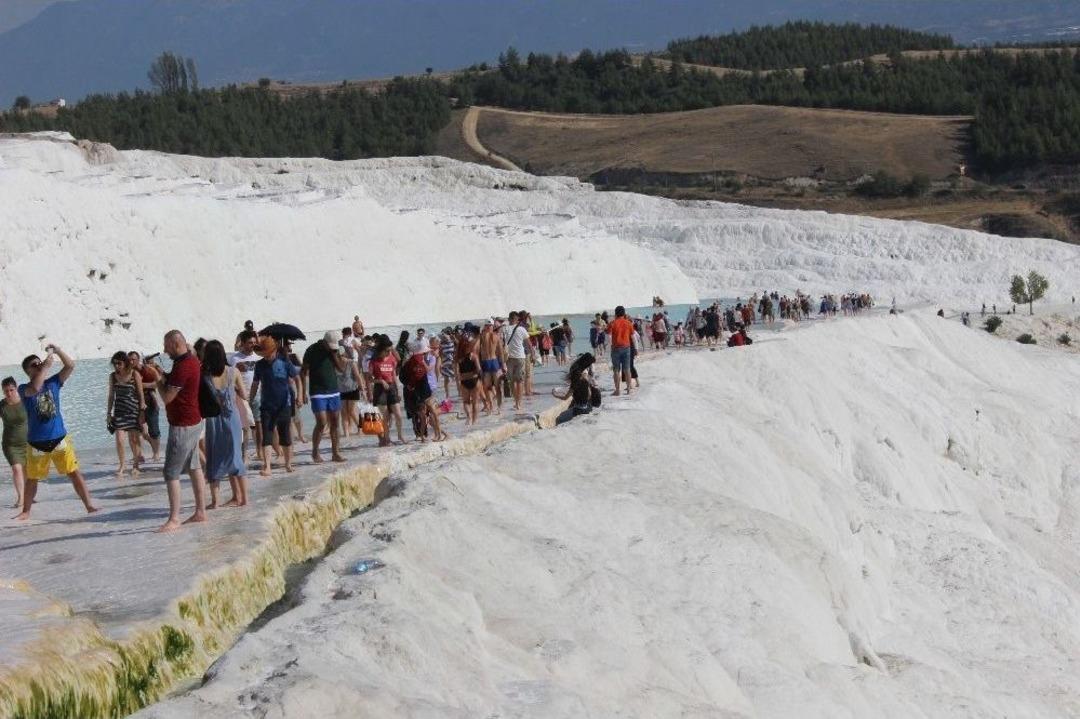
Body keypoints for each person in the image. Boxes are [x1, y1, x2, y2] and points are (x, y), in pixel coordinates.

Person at [15, 345, 97, 521]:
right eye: (33, 365)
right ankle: (26, 511)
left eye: (38, 362)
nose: (38, 365)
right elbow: (36, 388)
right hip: (37, 442)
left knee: (74, 472)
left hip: (59, 438)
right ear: (27, 371)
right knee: (32, 479)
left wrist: (57, 351)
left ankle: (89, 505)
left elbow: (70, 366)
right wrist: (45, 365)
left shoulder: (53, 382)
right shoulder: (23, 389)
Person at [156, 331, 207, 532]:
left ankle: (174, 518)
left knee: (170, 472)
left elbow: (167, 397)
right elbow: (177, 383)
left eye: (167, 346)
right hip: (194, 421)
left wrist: (158, 379)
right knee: (194, 466)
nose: (164, 350)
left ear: (176, 344)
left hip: (183, 424)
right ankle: (201, 511)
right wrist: (163, 374)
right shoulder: (191, 360)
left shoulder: (184, 365)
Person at [200, 340, 248, 509]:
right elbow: (243, 394)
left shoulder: (205, 376)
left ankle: (215, 501)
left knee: (214, 456)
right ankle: (243, 498)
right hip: (232, 418)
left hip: (213, 419)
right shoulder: (233, 372)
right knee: (235, 456)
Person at [250, 336, 300, 476]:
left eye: (268, 354)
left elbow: (297, 378)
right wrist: (250, 399)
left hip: (284, 404)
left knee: (285, 437)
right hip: (266, 405)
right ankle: (267, 467)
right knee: (267, 436)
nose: (266, 357)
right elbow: (255, 384)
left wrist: (300, 395)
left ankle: (288, 464)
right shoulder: (259, 365)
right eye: (264, 354)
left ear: (274, 351)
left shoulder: (284, 362)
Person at [301, 331, 346, 464]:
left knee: (335, 421)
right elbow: (303, 372)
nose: (332, 348)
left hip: (333, 389)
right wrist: (303, 391)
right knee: (321, 422)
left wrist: (335, 355)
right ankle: (315, 451)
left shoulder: (334, 351)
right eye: (330, 346)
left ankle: (335, 452)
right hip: (317, 390)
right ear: (324, 342)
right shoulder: (311, 350)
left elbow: (341, 369)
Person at [106, 351, 146, 477]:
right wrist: (108, 413)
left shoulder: (135, 374)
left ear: (125, 362)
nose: (117, 366)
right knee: (119, 440)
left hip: (133, 411)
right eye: (115, 363)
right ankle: (122, 465)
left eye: (119, 363)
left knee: (134, 440)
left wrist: (142, 412)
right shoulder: (113, 376)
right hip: (119, 412)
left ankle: (136, 465)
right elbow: (111, 395)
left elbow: (140, 394)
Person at [228, 330, 260, 460]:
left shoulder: (258, 357)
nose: (252, 345)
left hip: (257, 395)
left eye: (254, 342)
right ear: (243, 343)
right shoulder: (234, 358)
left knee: (258, 426)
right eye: (249, 343)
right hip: (241, 397)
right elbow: (229, 378)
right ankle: (244, 453)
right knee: (244, 427)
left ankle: (259, 451)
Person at [370, 335, 406, 446]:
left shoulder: (391, 358)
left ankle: (400, 435)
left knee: (398, 414)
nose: (389, 352)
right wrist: (381, 381)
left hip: (392, 388)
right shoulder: (374, 361)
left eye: (390, 350)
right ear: (380, 350)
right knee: (385, 417)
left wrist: (398, 390)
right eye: (387, 350)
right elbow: (369, 378)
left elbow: (394, 374)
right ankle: (387, 438)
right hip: (380, 390)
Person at [129, 352, 162, 462]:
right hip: (137, 404)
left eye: (133, 359)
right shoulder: (130, 372)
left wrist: (141, 385)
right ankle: (139, 454)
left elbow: (157, 383)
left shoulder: (147, 369)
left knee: (154, 430)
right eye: (129, 360)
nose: (131, 362)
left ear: (138, 359)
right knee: (141, 431)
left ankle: (156, 453)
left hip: (151, 402)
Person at [2, 377, 27, 509]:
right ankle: (21, 498)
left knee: (26, 470)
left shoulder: (25, 400)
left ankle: (28, 495)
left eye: (11, 390)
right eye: (6, 391)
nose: (9, 393)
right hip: (10, 444)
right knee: (17, 469)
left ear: (16, 388)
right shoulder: (2, 405)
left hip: (28, 442)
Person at [555, 353, 598, 425]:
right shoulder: (585, 378)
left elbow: (565, 398)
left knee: (558, 419)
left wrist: (555, 395)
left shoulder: (576, 378)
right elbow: (589, 395)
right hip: (588, 407)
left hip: (579, 410)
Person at [337, 328, 364, 437]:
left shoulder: (351, 363)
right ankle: (347, 434)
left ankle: (359, 429)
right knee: (345, 412)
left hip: (352, 388)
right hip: (343, 390)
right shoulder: (337, 364)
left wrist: (363, 389)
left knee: (350, 411)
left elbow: (357, 376)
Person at [504, 314, 531, 411]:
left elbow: (502, 342)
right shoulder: (522, 329)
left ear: (509, 319)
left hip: (509, 358)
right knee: (519, 381)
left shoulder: (505, 329)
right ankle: (519, 402)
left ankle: (516, 402)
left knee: (512, 381)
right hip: (520, 357)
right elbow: (529, 343)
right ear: (516, 319)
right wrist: (532, 354)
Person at [608, 306, 635, 396]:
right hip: (627, 347)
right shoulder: (628, 323)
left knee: (616, 370)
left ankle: (617, 390)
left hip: (616, 348)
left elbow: (608, 334)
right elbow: (632, 336)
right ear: (624, 313)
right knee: (627, 369)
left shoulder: (612, 323)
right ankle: (629, 389)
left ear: (615, 313)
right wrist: (635, 348)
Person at [478, 320, 504, 414]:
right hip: (486, 363)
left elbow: (500, 351)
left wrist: (503, 364)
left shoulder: (496, 337)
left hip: (493, 362)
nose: (489, 327)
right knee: (487, 387)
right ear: (484, 326)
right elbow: (476, 351)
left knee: (497, 386)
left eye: (490, 325)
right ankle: (491, 406)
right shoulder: (481, 337)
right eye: (487, 325)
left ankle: (499, 407)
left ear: (492, 326)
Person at [457, 333, 482, 424]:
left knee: (466, 401)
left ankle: (469, 417)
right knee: (475, 402)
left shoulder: (459, 358)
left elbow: (457, 372)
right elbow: (479, 370)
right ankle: (474, 421)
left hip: (464, 381)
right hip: (474, 380)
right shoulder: (473, 356)